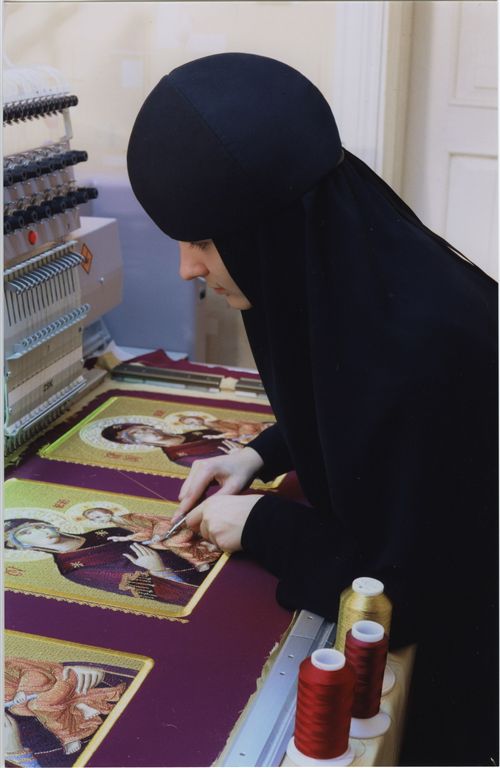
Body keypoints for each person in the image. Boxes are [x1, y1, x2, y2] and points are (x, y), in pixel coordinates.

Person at [127, 53, 498, 765]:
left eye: (202, 241)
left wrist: (262, 525)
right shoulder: (367, 281)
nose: (188, 269)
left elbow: (402, 597)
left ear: (270, 234)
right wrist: (260, 452)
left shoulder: (425, 353)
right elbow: (347, 396)